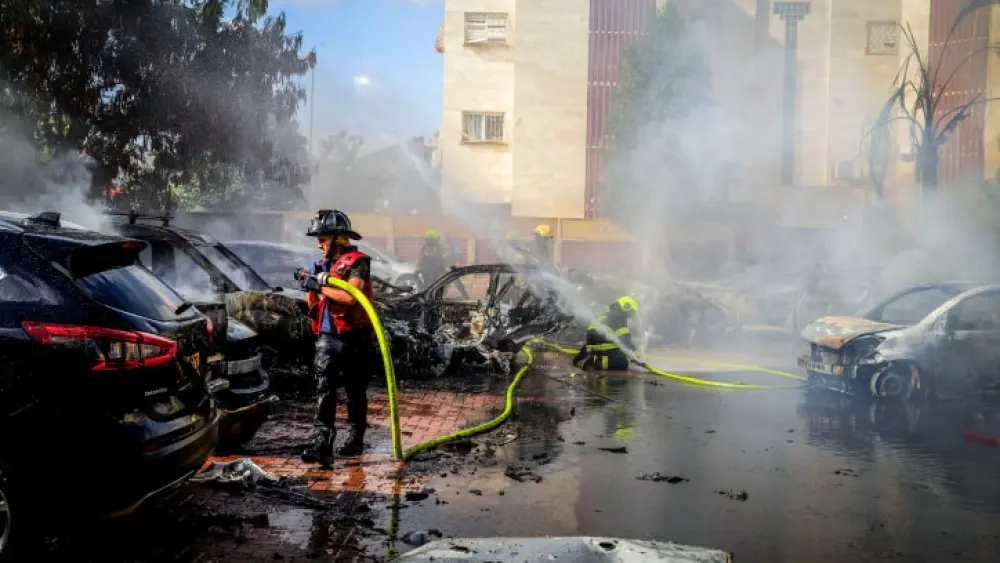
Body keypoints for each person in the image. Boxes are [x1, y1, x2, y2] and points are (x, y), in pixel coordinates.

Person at [296, 209, 378, 466]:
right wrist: (309, 285)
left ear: (338, 238)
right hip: (328, 337)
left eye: (323, 238)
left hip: (356, 338)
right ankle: (322, 445)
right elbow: (315, 301)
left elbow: (350, 297)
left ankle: (355, 439)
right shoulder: (319, 266)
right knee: (324, 388)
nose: (319, 243)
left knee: (355, 390)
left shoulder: (358, 263)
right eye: (318, 238)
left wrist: (319, 284)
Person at [572, 296, 640, 371]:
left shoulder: (606, 315)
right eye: (631, 312)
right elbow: (625, 340)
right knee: (622, 363)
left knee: (620, 351)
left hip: (593, 348)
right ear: (626, 307)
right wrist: (637, 356)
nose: (630, 316)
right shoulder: (619, 317)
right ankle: (597, 363)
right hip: (604, 350)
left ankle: (583, 357)